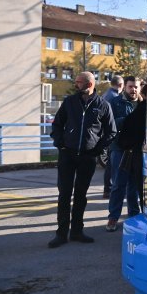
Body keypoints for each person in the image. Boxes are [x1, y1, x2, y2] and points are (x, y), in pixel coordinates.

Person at [48, 72, 116, 248]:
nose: (76, 85)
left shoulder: (103, 105)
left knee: (80, 195)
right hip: (67, 155)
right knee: (64, 194)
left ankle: (77, 231)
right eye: (76, 82)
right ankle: (61, 233)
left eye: (79, 82)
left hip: (87, 157)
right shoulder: (70, 102)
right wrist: (59, 143)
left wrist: (97, 149)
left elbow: (111, 131)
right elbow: (57, 124)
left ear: (90, 83)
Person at [105, 76, 143, 231]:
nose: (133, 90)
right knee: (118, 185)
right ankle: (113, 218)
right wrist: (130, 120)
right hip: (120, 148)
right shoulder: (115, 103)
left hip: (138, 150)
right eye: (130, 87)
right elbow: (110, 124)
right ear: (124, 87)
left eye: (136, 87)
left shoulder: (143, 104)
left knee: (134, 186)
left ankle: (133, 217)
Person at [100, 75, 124, 197]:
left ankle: (107, 189)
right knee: (111, 164)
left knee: (109, 163)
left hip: (105, 132)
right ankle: (109, 189)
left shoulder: (106, 94)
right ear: (120, 85)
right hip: (110, 133)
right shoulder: (114, 97)